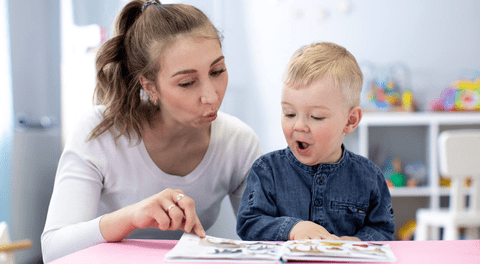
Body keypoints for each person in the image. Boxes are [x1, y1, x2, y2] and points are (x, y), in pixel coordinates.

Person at [41, 0, 262, 262]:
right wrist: (132, 217)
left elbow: (262, 240)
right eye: (187, 82)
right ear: (150, 86)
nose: (211, 96)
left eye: (217, 71)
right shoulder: (99, 133)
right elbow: (53, 249)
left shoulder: (238, 142)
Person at [236, 42, 394, 242]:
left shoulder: (369, 177)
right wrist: (293, 228)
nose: (299, 126)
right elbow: (249, 224)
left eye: (316, 117)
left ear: (350, 120)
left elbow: (382, 229)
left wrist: (357, 242)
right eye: (289, 113)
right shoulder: (267, 170)